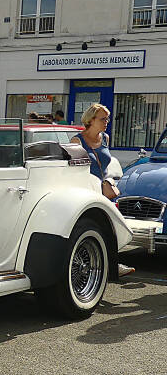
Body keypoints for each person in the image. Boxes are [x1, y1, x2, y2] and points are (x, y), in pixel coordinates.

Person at [71, 103, 135, 277]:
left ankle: (112, 266)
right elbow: (72, 169)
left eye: (107, 118)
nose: (107, 122)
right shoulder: (77, 141)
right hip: (87, 189)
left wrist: (109, 180)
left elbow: (107, 164)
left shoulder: (105, 138)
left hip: (105, 190)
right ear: (91, 120)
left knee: (110, 228)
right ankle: (95, 266)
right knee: (92, 229)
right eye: (103, 119)